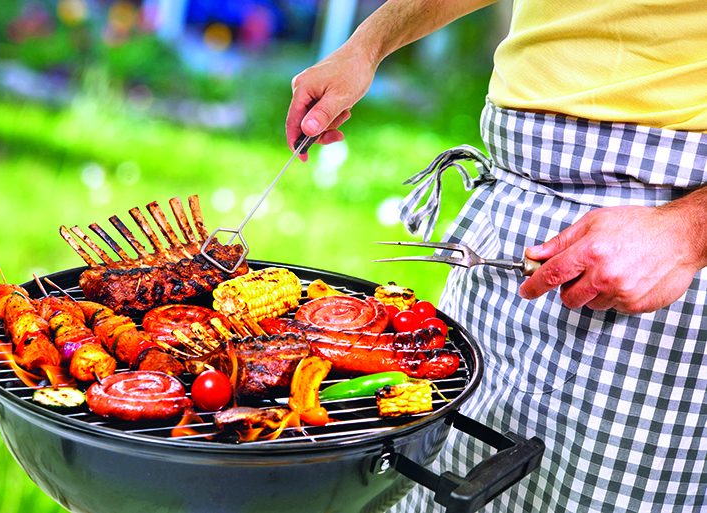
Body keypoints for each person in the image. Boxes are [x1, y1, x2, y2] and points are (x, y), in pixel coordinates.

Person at [285, 1, 707, 512]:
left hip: (649, 249)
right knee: (433, 487)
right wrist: (364, 47)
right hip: (508, 206)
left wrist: (685, 231)